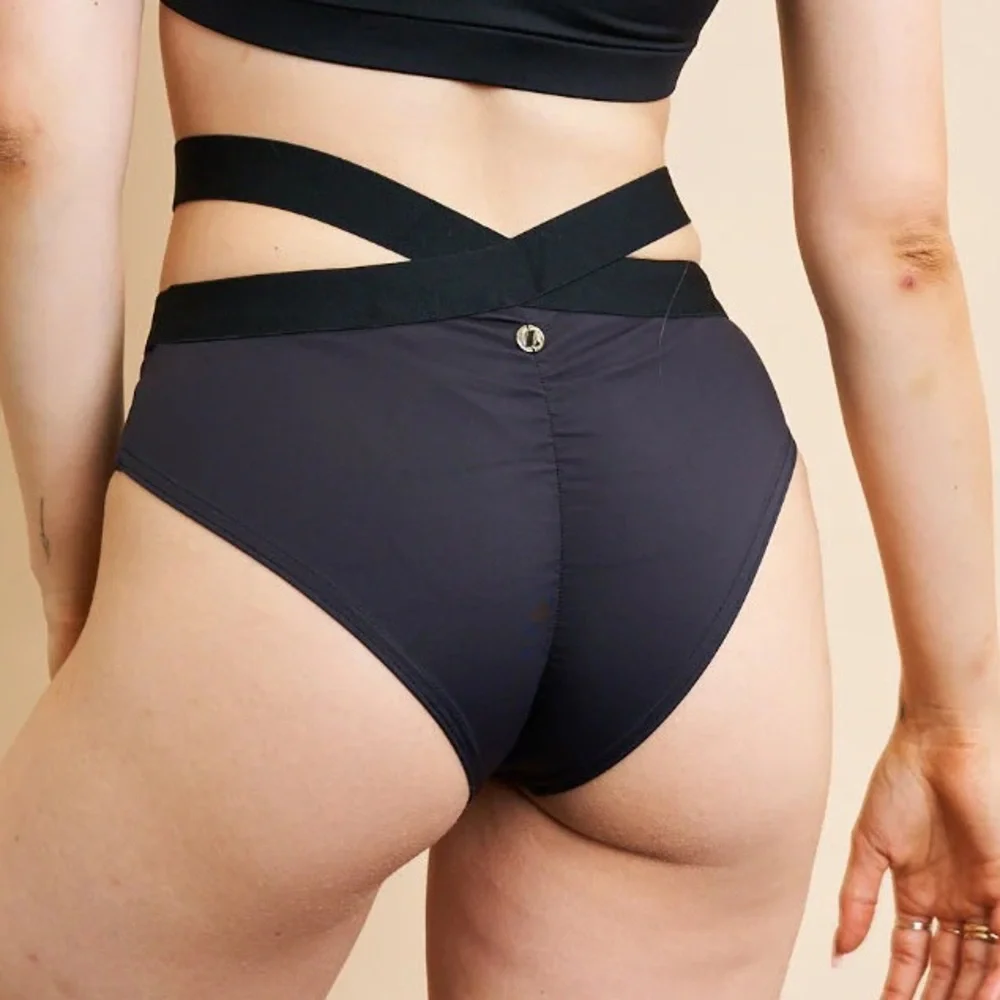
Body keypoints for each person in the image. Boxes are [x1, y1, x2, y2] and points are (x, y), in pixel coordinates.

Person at [0, 0, 997, 997]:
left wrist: (80, 592)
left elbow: (31, 139)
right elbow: (900, 245)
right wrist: (957, 723)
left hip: (311, 444)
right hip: (686, 495)